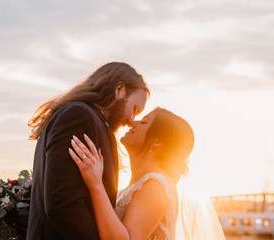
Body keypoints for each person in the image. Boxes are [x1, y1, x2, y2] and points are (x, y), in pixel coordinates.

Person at [26, 62, 149, 240]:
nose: (131, 119)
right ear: (120, 89)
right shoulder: (79, 115)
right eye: (135, 109)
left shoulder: (90, 120)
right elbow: (63, 203)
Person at [69, 107, 195, 240]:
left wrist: (95, 184)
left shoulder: (155, 188)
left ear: (156, 142)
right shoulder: (141, 186)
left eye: (143, 122)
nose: (133, 123)